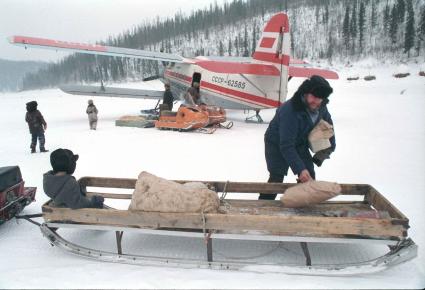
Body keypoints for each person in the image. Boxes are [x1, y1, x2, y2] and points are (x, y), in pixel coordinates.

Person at [259, 75, 336, 200]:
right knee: (277, 177)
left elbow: (329, 128)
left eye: (319, 99)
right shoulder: (290, 110)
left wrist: (326, 150)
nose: (315, 102)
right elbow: (286, 145)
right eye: (313, 97)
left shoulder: (321, 107)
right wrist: (300, 170)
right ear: (305, 93)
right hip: (277, 142)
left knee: (309, 175)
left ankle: (300, 206)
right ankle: (262, 207)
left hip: (300, 141)